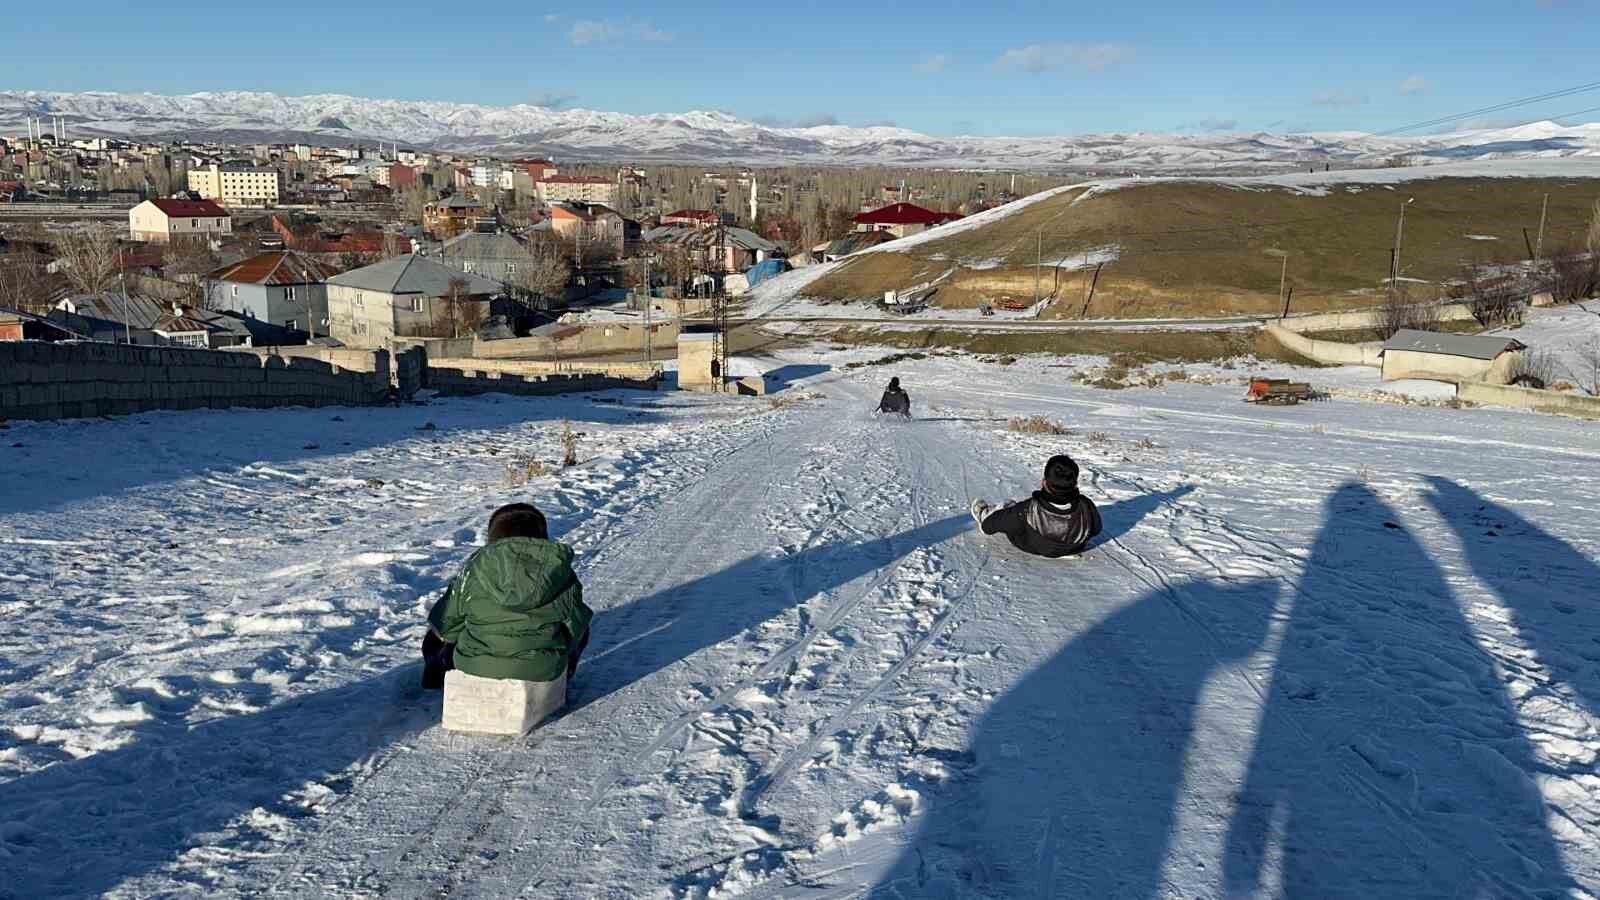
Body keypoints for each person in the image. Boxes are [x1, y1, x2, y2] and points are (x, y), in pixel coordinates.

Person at [421, 502, 593, 690]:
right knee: (583, 625)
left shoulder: (474, 570)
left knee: (438, 628)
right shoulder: (559, 573)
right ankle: (562, 677)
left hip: (475, 668)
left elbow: (446, 625)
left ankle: (435, 676)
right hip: (540, 669)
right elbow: (576, 626)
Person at [970, 454, 1102, 558]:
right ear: (1075, 484)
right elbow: (1096, 529)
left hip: (1035, 547)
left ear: (1044, 482)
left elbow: (988, 527)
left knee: (1010, 515)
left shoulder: (1029, 510)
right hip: (1075, 547)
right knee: (1014, 515)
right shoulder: (1086, 505)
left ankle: (985, 513)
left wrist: (988, 522)